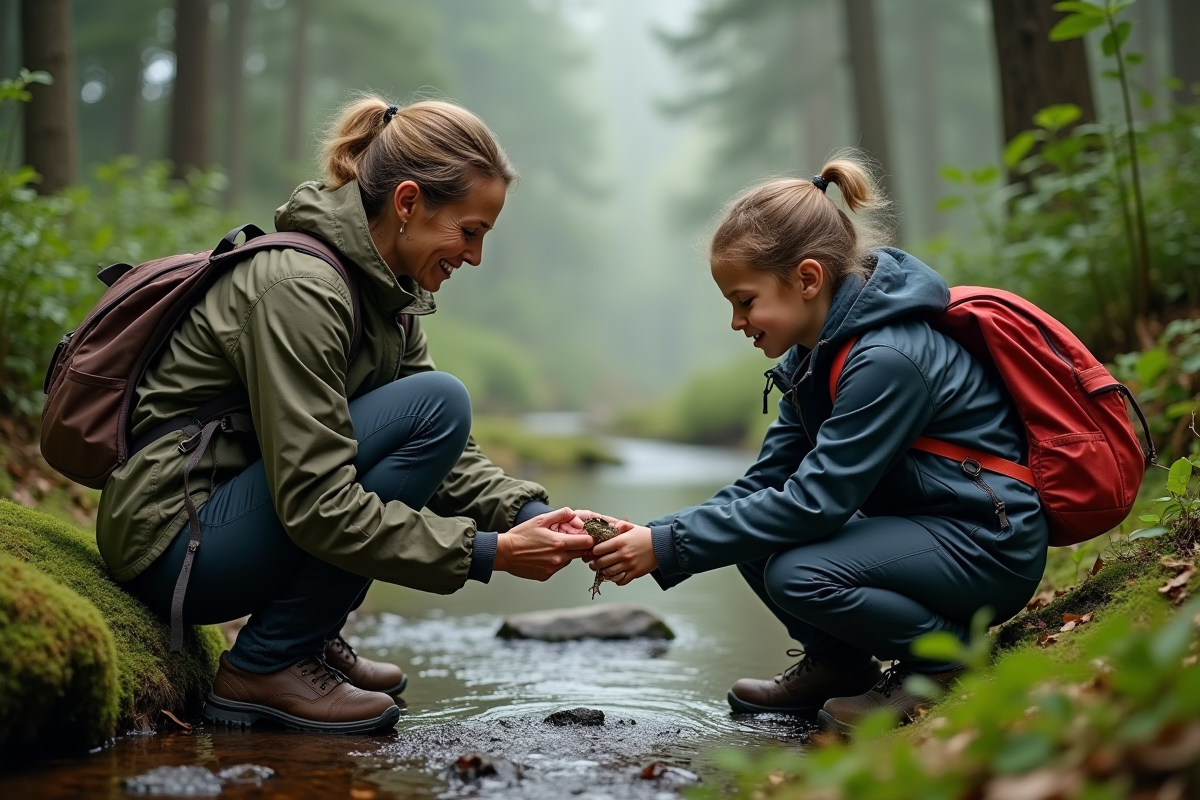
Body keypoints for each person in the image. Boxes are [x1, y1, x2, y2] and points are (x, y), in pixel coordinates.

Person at [96, 96, 597, 734]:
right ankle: (265, 663)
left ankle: (304, 637)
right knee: (441, 402)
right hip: (174, 543)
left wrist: (533, 516)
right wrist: (486, 552)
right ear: (409, 203)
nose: (473, 257)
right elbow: (317, 501)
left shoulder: (388, 292)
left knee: (436, 406)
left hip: (225, 524)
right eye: (469, 232)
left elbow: (443, 454)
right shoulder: (300, 288)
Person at [586, 153, 1049, 733]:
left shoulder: (886, 359)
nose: (736, 321)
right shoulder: (814, 359)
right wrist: (656, 535)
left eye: (745, 300)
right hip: (934, 529)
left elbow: (816, 502)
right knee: (750, 535)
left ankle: (945, 658)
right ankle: (840, 665)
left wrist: (669, 543)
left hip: (988, 541)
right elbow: (764, 484)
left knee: (798, 573)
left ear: (807, 279)